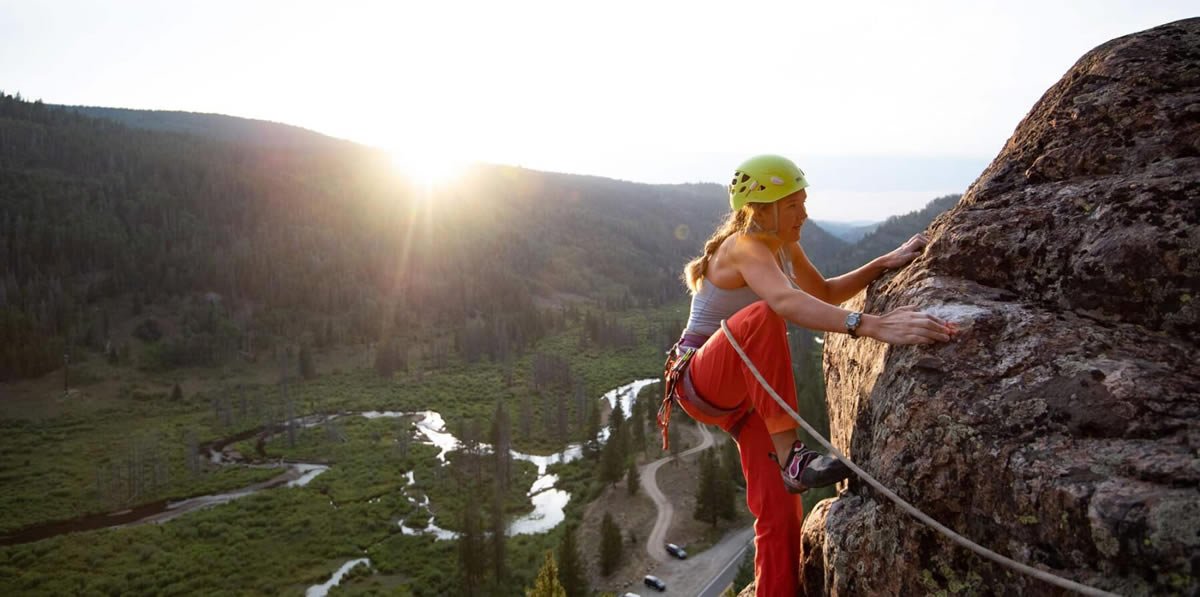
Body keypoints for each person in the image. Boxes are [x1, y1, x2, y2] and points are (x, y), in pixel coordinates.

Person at [658, 154, 958, 597]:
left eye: (803, 201)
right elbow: (784, 303)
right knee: (763, 317)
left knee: (780, 516)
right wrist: (871, 326)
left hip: (741, 398)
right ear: (763, 209)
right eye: (794, 204)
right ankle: (794, 459)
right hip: (698, 380)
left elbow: (824, 292)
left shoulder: (779, 242)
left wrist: (883, 262)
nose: (804, 213)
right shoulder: (745, 246)